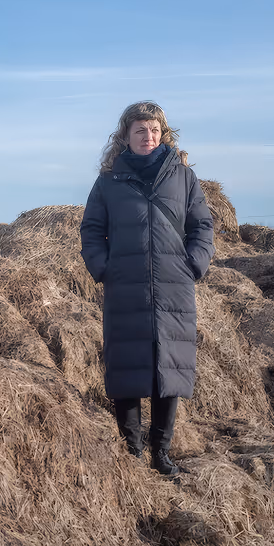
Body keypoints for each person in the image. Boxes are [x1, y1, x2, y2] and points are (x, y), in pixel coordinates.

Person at [79, 102, 215, 477]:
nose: (148, 137)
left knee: (169, 366)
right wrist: (103, 267)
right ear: (125, 136)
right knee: (127, 366)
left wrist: (193, 264)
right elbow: (91, 230)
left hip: (174, 286)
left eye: (154, 130)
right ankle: (132, 452)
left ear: (163, 134)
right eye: (140, 130)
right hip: (125, 286)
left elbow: (203, 225)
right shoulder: (109, 181)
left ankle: (162, 452)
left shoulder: (183, 178)